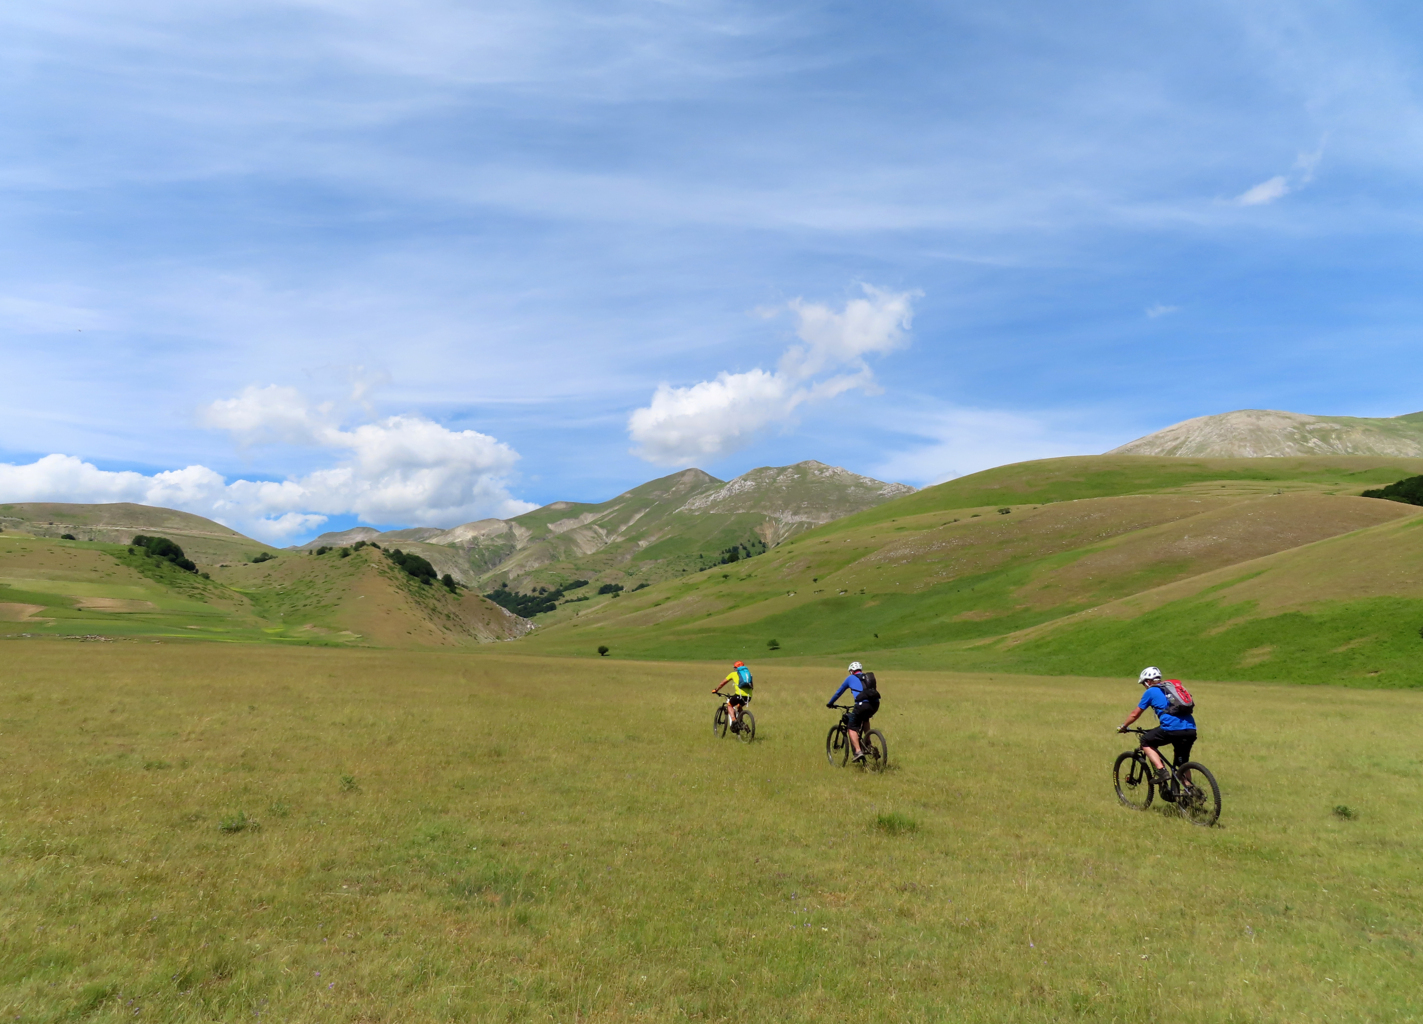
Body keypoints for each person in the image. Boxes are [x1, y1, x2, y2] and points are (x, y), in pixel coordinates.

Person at [1117, 666, 1196, 791]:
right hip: (1191, 729)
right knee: (1182, 763)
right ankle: (1190, 791)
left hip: (1171, 729)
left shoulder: (1151, 691)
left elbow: (1135, 714)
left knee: (1145, 741)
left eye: (1143, 683)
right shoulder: (1171, 689)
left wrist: (1123, 726)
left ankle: (1161, 771)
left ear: (1148, 681)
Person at [827, 661, 879, 761]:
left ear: (851, 671)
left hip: (861, 705)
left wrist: (830, 703)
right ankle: (868, 744)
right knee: (865, 719)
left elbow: (839, 692)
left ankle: (858, 752)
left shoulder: (850, 678)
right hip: (875, 704)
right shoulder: (867, 678)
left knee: (851, 727)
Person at [713, 660, 753, 732]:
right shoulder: (748, 675)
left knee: (730, 705)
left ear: (736, 668)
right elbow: (752, 686)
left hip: (739, 695)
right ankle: (741, 722)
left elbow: (723, 683)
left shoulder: (733, 674)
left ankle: (734, 721)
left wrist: (716, 690)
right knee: (739, 706)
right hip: (748, 696)